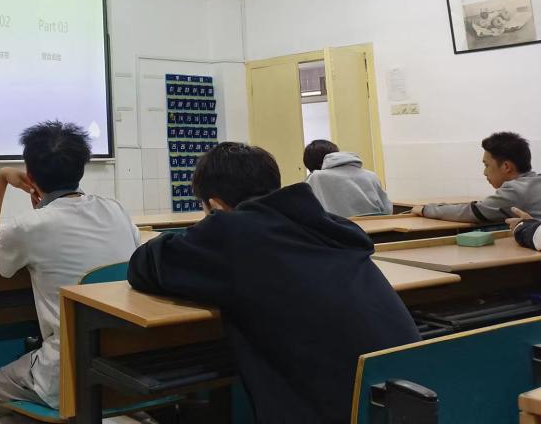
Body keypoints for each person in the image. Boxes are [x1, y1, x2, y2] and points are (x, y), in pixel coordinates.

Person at [127, 142, 419, 424]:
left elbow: (142, 265)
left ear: (215, 207)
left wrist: (204, 231)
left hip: (333, 411)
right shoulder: (330, 225)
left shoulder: (231, 233)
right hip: (411, 400)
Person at [0, 121, 141, 423]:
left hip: (69, 366)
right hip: (128, 360)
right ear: (82, 168)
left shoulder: (29, 227)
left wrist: (1, 178)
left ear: (30, 175)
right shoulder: (116, 210)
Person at [411, 132, 541, 222]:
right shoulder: (534, 182)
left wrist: (425, 209)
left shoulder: (516, 190)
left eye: (487, 165)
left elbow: (472, 212)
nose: (484, 172)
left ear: (506, 166)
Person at [303, 139, 391, 216]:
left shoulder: (316, 177)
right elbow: (387, 209)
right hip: (376, 226)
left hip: (337, 228)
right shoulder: (371, 175)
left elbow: (307, 211)